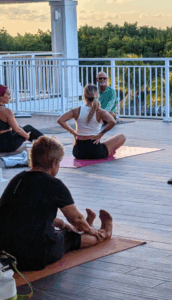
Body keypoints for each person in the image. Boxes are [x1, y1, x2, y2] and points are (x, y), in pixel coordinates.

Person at [0, 136, 113, 271]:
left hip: (5, 252)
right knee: (71, 239)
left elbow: (27, 212)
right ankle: (104, 234)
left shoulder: (17, 180)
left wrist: (64, 225)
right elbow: (76, 218)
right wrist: (91, 231)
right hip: (35, 255)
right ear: (54, 163)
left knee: (65, 230)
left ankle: (85, 227)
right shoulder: (54, 184)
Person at [57, 83, 125, 159]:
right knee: (122, 137)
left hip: (78, 152)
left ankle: (109, 150)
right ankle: (110, 151)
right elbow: (112, 122)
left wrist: (73, 132)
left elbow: (60, 120)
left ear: (84, 96)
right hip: (95, 152)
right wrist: (100, 134)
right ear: (97, 95)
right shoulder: (100, 111)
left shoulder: (76, 111)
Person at [0, 85, 43, 153]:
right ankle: (50, 145)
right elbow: (17, 130)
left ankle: (38, 144)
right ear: (1, 96)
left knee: (20, 128)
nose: (10, 97)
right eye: (8, 94)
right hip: (7, 145)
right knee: (28, 128)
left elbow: (16, 127)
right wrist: (26, 136)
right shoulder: (6, 111)